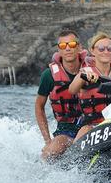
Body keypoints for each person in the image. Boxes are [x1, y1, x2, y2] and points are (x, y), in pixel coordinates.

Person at [68, 32, 111, 141]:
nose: (106, 52)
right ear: (92, 51)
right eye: (101, 49)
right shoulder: (85, 72)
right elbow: (72, 90)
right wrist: (83, 77)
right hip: (91, 126)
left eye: (109, 49)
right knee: (84, 132)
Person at [35, 29, 87, 161]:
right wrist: (47, 140)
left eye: (72, 44)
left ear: (79, 47)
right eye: (63, 46)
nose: (68, 49)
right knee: (50, 153)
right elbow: (39, 106)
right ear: (59, 50)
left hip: (91, 125)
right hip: (66, 130)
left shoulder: (92, 69)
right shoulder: (49, 75)